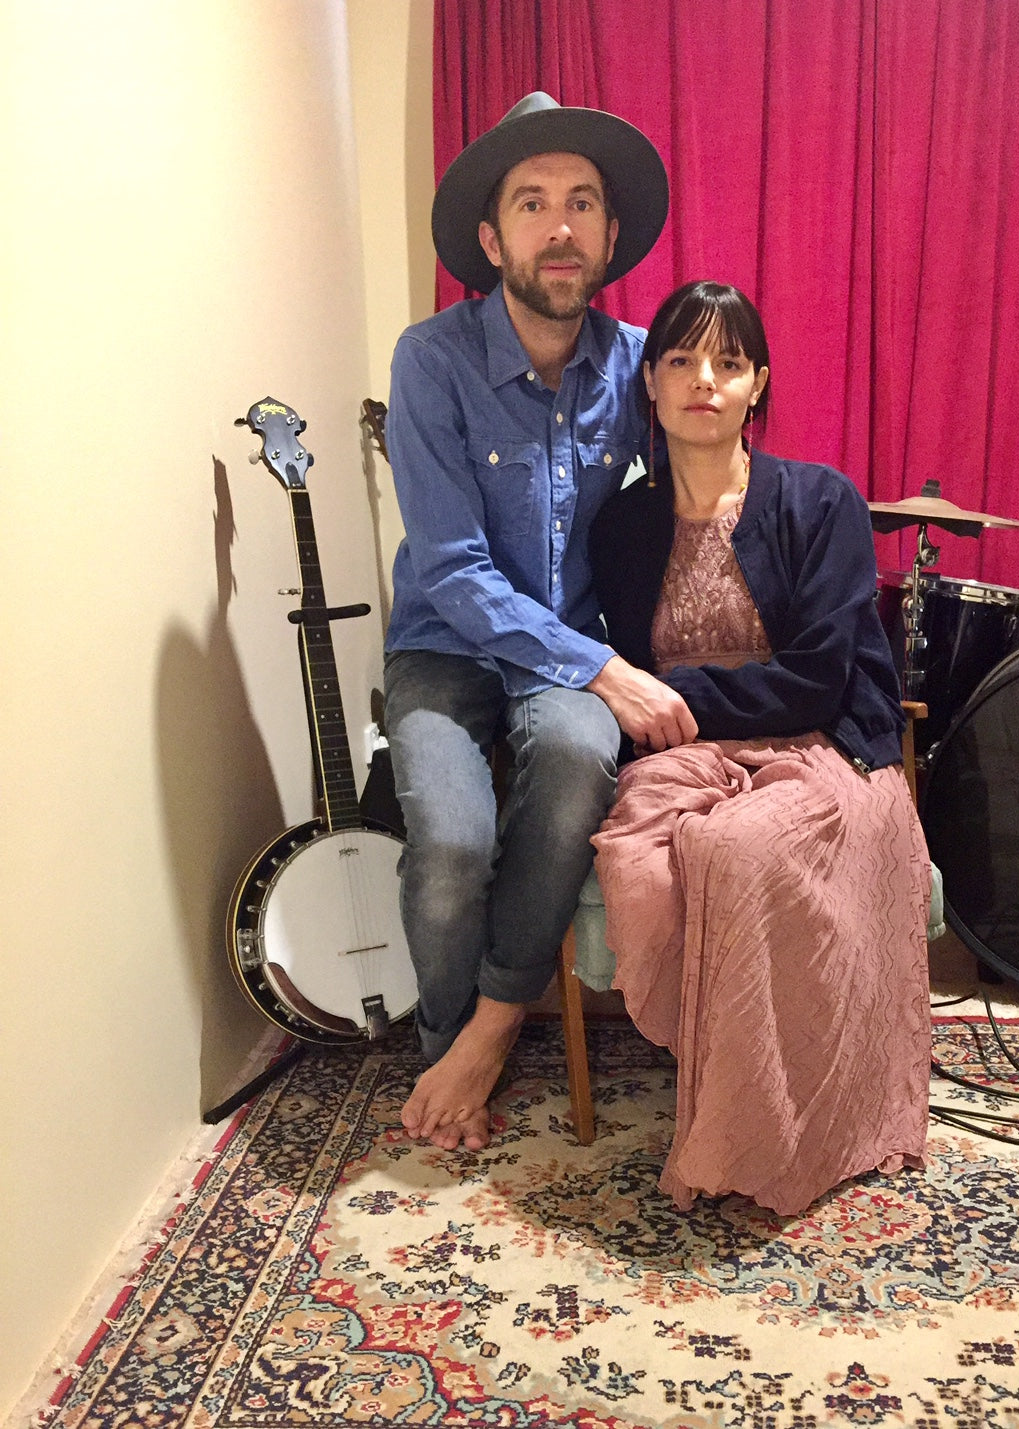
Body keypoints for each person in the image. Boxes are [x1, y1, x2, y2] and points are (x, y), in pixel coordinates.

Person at [384, 93, 697, 1152]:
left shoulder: (643, 363)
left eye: (582, 203)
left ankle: (490, 1029)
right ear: (492, 239)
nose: (559, 227)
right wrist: (605, 668)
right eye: (532, 204)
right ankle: (448, 1051)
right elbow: (453, 570)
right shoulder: (430, 359)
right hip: (444, 640)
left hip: (566, 653)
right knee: (450, 844)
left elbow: (706, 486)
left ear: (610, 235)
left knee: (573, 758)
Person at [588, 281, 932, 1215]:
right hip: (685, 759)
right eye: (681, 360)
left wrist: (671, 697)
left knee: (735, 848)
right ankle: (740, 1091)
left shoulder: (821, 501)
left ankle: (759, 1135)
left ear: (757, 385)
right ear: (649, 383)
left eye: (729, 362)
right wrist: (638, 702)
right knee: (642, 864)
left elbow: (817, 679)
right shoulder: (620, 524)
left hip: (823, 747)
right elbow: (609, 665)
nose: (704, 379)